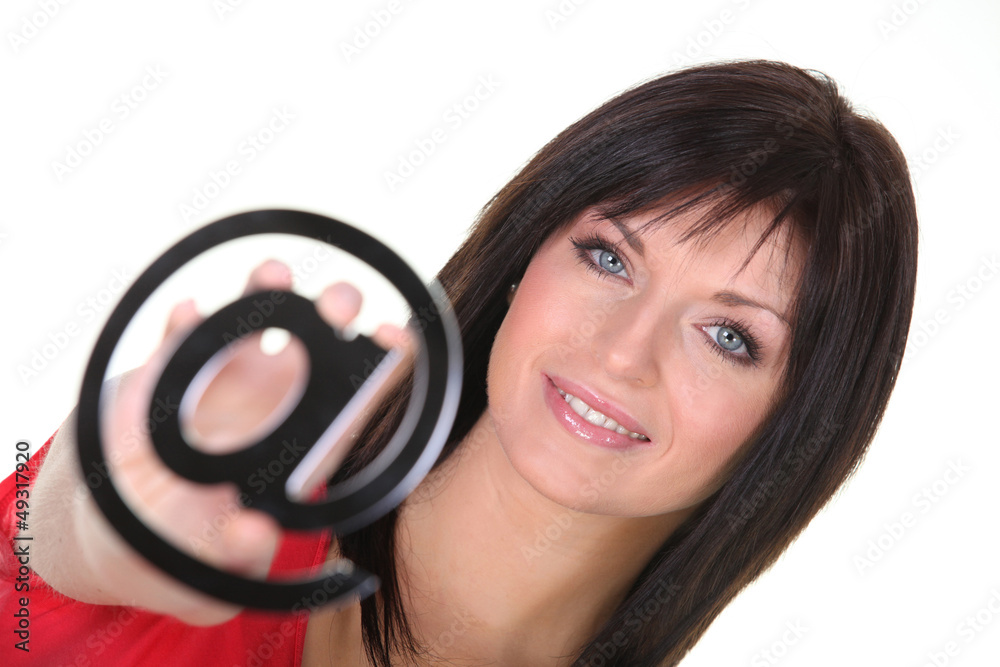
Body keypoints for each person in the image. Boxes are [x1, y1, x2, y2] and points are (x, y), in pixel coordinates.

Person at [1, 59, 917, 666]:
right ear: (525, 257)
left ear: (802, 421)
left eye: (731, 337)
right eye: (609, 257)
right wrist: (85, 524)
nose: (622, 351)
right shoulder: (240, 466)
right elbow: (37, 556)